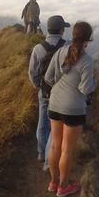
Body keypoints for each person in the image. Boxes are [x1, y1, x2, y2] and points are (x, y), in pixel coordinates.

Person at [44, 21, 96, 197]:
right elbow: (86, 89)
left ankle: (53, 182)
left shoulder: (60, 51)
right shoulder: (87, 60)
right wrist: (95, 79)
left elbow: (48, 77)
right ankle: (63, 186)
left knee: (55, 146)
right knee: (67, 150)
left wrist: (60, 88)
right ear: (88, 39)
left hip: (54, 103)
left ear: (73, 34)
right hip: (73, 108)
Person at [27, 15, 70, 171]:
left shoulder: (38, 48)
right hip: (62, 94)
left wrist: (39, 85)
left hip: (44, 92)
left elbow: (32, 72)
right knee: (56, 128)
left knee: (42, 123)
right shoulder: (68, 47)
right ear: (61, 29)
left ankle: (41, 152)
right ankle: (48, 161)